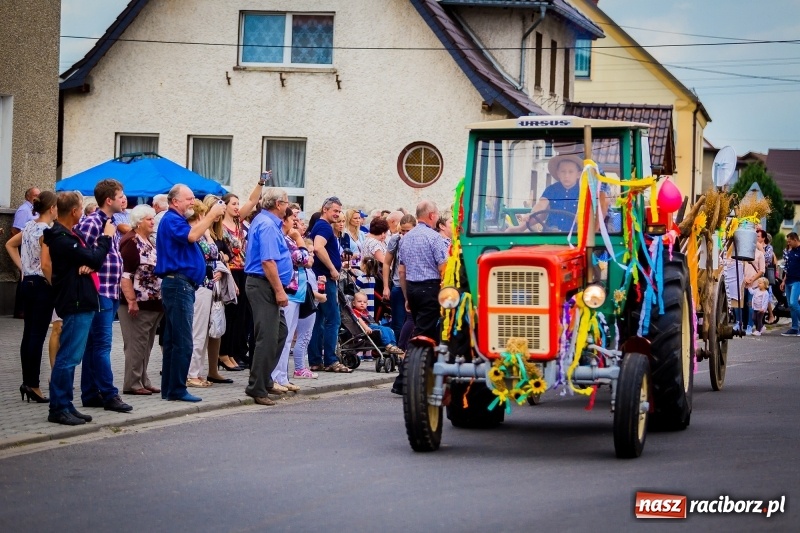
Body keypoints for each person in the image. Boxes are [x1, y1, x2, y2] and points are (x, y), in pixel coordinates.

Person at [43, 191, 115, 425]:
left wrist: (90, 260)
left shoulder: (71, 234)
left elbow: (89, 259)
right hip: (74, 301)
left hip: (81, 299)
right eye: (81, 207)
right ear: (74, 211)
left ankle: (66, 403)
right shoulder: (63, 238)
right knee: (68, 357)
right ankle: (58, 407)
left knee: (72, 357)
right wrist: (105, 238)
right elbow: (94, 258)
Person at [155, 184, 226, 402]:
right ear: (175, 201)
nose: (193, 203)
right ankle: (177, 389)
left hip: (181, 285)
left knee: (174, 340)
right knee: (183, 340)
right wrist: (211, 214)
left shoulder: (176, 220)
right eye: (189, 199)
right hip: (178, 285)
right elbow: (192, 236)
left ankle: (170, 388)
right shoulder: (172, 219)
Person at [76, 179, 132, 413]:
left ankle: (90, 393)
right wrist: (86, 264)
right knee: (101, 345)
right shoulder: (92, 222)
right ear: (108, 200)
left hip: (110, 289)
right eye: (120, 195)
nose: (124, 199)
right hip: (99, 290)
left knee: (93, 345)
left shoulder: (111, 221)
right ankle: (109, 394)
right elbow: (79, 248)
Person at [5, 191, 58, 403]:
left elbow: (10, 244)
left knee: (28, 334)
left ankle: (27, 381)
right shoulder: (46, 230)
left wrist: (23, 268)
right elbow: (46, 264)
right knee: (37, 335)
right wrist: (55, 285)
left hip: (27, 283)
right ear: (52, 208)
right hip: (41, 284)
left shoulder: (29, 225)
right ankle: (33, 384)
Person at [243, 187, 294, 405]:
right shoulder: (267, 225)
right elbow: (268, 261)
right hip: (264, 285)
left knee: (280, 332)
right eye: (286, 202)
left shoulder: (268, 222)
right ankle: (257, 387)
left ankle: (264, 380)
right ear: (277, 204)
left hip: (267, 285)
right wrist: (279, 290)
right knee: (267, 337)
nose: (288, 205)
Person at [394, 200, 449, 394]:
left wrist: (407, 296)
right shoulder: (434, 238)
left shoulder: (406, 238)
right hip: (430, 288)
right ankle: (404, 379)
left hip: (413, 289)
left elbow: (401, 271)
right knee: (422, 335)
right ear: (432, 215)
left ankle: (424, 376)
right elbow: (443, 268)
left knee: (424, 333)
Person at [220, 180, 265, 369]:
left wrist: (260, 183)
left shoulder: (239, 221)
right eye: (233, 204)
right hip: (230, 270)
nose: (237, 207)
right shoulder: (220, 224)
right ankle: (223, 353)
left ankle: (233, 352)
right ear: (225, 206)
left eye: (238, 204)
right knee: (230, 313)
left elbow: (253, 200)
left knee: (241, 315)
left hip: (243, 269)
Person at [118, 204, 163, 395]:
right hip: (138, 303)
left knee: (146, 343)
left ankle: (143, 379)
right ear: (138, 222)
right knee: (136, 344)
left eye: (153, 218)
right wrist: (131, 300)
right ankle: (133, 383)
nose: (153, 222)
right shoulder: (131, 242)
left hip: (153, 302)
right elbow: (125, 274)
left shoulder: (148, 240)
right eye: (149, 219)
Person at [308, 197, 352, 373]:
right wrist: (333, 268)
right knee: (333, 319)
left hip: (319, 279)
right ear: (324, 209)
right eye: (334, 210)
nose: (337, 214)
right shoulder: (324, 226)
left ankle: (316, 360)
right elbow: (318, 247)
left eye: (339, 211)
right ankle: (331, 360)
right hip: (325, 279)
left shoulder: (320, 226)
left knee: (318, 320)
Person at [271, 205, 310, 391]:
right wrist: (299, 239)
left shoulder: (289, 239)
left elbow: (307, 259)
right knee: (283, 337)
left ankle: (282, 376)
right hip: (289, 291)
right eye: (293, 218)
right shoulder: (286, 239)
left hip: (298, 292)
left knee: (287, 338)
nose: (296, 221)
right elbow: (303, 258)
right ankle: (275, 376)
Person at [383, 214, 416, 341]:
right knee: (398, 321)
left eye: (408, 231)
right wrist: (386, 287)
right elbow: (387, 263)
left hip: (413, 284)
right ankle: (397, 350)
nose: (405, 234)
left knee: (413, 320)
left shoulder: (418, 240)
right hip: (397, 284)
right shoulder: (396, 240)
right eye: (403, 231)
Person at [743, 241, 765, 335]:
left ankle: (750, 325)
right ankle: (741, 324)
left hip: (755, 284)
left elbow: (762, 270)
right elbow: (740, 267)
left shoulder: (760, 254)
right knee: (741, 305)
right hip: (743, 283)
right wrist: (744, 279)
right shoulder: (743, 253)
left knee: (751, 306)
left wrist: (752, 279)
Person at [780, 232, 800, 336]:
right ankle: (794, 327)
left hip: (797, 281)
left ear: (795, 240)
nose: (788, 243)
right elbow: (787, 268)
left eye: (790, 241)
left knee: (793, 303)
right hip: (788, 281)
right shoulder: (790, 252)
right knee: (790, 306)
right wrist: (783, 281)